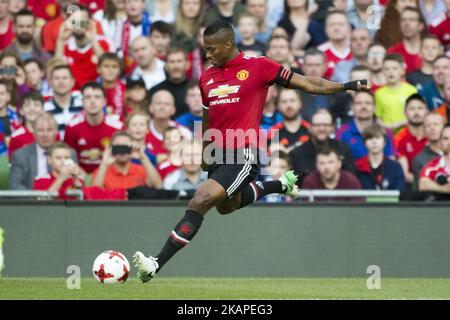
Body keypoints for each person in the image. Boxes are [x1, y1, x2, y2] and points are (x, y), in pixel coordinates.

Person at [132, 21, 369, 282]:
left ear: (229, 45)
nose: (207, 55)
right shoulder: (206, 78)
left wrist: (346, 86)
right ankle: (281, 185)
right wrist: (205, 153)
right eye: (205, 49)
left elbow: (310, 84)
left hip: (244, 152)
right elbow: (208, 118)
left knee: (200, 199)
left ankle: (155, 263)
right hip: (217, 155)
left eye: (211, 49)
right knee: (226, 206)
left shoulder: (259, 67)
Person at [64, 82, 123, 174]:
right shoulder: (72, 127)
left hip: (110, 176)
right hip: (80, 176)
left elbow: (122, 158)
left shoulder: (118, 127)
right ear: (82, 102)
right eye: (88, 97)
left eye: (97, 97)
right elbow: (67, 158)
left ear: (104, 101)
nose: (92, 101)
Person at [9, 113, 77, 190]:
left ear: (56, 132)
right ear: (33, 133)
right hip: (30, 200)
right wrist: (38, 199)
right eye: (40, 130)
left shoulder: (69, 153)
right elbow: (15, 187)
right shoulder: (20, 156)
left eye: (50, 130)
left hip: (62, 200)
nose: (45, 134)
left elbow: (76, 185)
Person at [54, 5, 111, 89]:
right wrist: (60, 40)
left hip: (96, 93)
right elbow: (57, 70)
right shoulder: (64, 45)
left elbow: (108, 68)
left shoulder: (103, 42)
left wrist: (93, 41)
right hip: (72, 94)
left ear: (90, 22)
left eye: (82, 21)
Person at [290, 109, 355, 176]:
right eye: (317, 125)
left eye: (325, 125)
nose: (321, 129)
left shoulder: (343, 149)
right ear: (310, 128)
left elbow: (351, 178)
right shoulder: (297, 154)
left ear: (332, 127)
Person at [92, 130, 162, 191]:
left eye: (125, 147)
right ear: (112, 149)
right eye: (119, 147)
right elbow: (94, 193)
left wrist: (144, 159)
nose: (122, 151)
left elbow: (158, 186)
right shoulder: (102, 171)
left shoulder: (141, 170)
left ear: (132, 148)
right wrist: (104, 164)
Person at [337, 91, 397, 160]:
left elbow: (391, 161)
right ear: (352, 107)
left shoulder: (385, 132)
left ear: (375, 108)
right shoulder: (342, 132)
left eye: (368, 103)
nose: (363, 107)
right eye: (359, 103)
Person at [355, 124, 406, 191]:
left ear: (384, 142)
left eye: (377, 137)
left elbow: (401, 193)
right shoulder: (357, 166)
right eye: (370, 138)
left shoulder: (395, 167)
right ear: (364, 143)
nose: (374, 142)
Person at [375, 54, 418, 130]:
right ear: (383, 72)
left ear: (402, 71)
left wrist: (400, 123)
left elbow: (417, 114)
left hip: (408, 132)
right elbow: (378, 117)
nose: (390, 72)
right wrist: (387, 126)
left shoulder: (412, 90)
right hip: (388, 134)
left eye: (395, 68)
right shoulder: (378, 94)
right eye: (387, 69)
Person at [145, 89, 192, 157]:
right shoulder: (142, 131)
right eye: (158, 103)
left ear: (173, 110)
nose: (162, 107)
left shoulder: (184, 133)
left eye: (166, 104)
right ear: (150, 108)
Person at [395, 94, 428, 187]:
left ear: (426, 111)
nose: (416, 112)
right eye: (412, 109)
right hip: (409, 187)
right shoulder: (399, 137)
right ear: (405, 112)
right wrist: (426, 183)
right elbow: (404, 174)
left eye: (420, 108)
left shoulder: (434, 134)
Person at [149, 48, 190, 118]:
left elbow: (200, 116)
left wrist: (196, 128)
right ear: (166, 66)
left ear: (187, 65)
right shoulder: (155, 90)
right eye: (172, 62)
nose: (176, 66)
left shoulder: (198, 89)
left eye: (179, 61)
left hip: (193, 127)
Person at [44, 65, 83, 138]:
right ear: (50, 82)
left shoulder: (83, 104)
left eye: (64, 78)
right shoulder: (44, 109)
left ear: (72, 81)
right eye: (57, 78)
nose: (61, 82)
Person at [268, 87, 310, 154]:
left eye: (292, 100)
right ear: (278, 106)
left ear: (300, 104)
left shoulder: (310, 129)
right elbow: (272, 159)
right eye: (284, 101)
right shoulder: (274, 132)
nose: (289, 105)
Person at [8, 91, 45, 159]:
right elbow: (12, 164)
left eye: (36, 105)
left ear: (43, 109)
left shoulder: (52, 133)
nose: (32, 109)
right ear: (21, 111)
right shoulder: (16, 137)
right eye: (27, 105)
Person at [387, 7, 424, 74]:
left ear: (420, 26)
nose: (406, 24)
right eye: (403, 20)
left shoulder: (430, 51)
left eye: (412, 20)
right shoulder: (392, 52)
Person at [412, 112, 445, 187]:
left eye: (436, 124)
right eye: (428, 125)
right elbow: (421, 188)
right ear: (424, 131)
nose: (432, 128)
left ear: (444, 128)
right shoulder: (419, 159)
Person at [318, 10, 352, 79]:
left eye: (341, 24)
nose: (336, 28)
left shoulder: (358, 49)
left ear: (349, 28)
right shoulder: (319, 52)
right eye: (332, 25)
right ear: (325, 29)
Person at [299, 49, 331, 122]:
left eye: (317, 65)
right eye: (310, 65)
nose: (313, 69)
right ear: (303, 67)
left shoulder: (336, 90)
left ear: (325, 67)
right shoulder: (295, 92)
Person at [418, 125, 450, 192]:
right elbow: (423, 184)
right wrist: (445, 188)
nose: (449, 142)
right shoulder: (434, 165)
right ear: (440, 142)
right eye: (445, 138)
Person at [97, 53, 126, 118]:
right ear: (98, 69)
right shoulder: (93, 90)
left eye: (114, 67)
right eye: (106, 66)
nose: (110, 71)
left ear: (120, 70)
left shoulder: (126, 89)